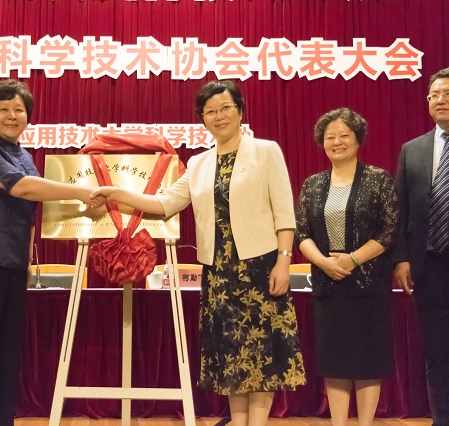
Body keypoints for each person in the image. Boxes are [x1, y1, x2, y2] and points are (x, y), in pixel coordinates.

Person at [91, 80, 305, 426]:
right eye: (210, 111)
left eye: (226, 108)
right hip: (219, 272)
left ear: (240, 111)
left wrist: (284, 260)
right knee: (232, 354)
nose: (219, 116)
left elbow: (284, 213)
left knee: (262, 353)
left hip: (260, 267)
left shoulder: (266, 151)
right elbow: (165, 203)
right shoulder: (199, 162)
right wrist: (116, 193)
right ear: (202, 118)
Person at [0, 79, 104, 426]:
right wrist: (81, 191)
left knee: (5, 353)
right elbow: (22, 188)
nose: (12, 115)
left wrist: (29, 260)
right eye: (3, 109)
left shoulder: (25, 157)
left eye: (19, 109)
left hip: (13, 264)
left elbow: (31, 211)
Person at [295, 108, 398, 426]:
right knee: (335, 360)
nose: (337, 142)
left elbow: (389, 230)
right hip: (327, 282)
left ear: (357, 139)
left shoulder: (378, 179)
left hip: (368, 282)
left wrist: (352, 259)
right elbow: (301, 233)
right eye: (330, 137)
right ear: (321, 142)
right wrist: (323, 262)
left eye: (344, 135)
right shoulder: (313, 184)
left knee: (368, 361)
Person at [393, 67, 449, 426]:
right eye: (435, 95)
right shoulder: (412, 150)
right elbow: (400, 211)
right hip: (429, 264)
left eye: (448, 94)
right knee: (437, 349)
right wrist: (401, 259)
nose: (441, 100)